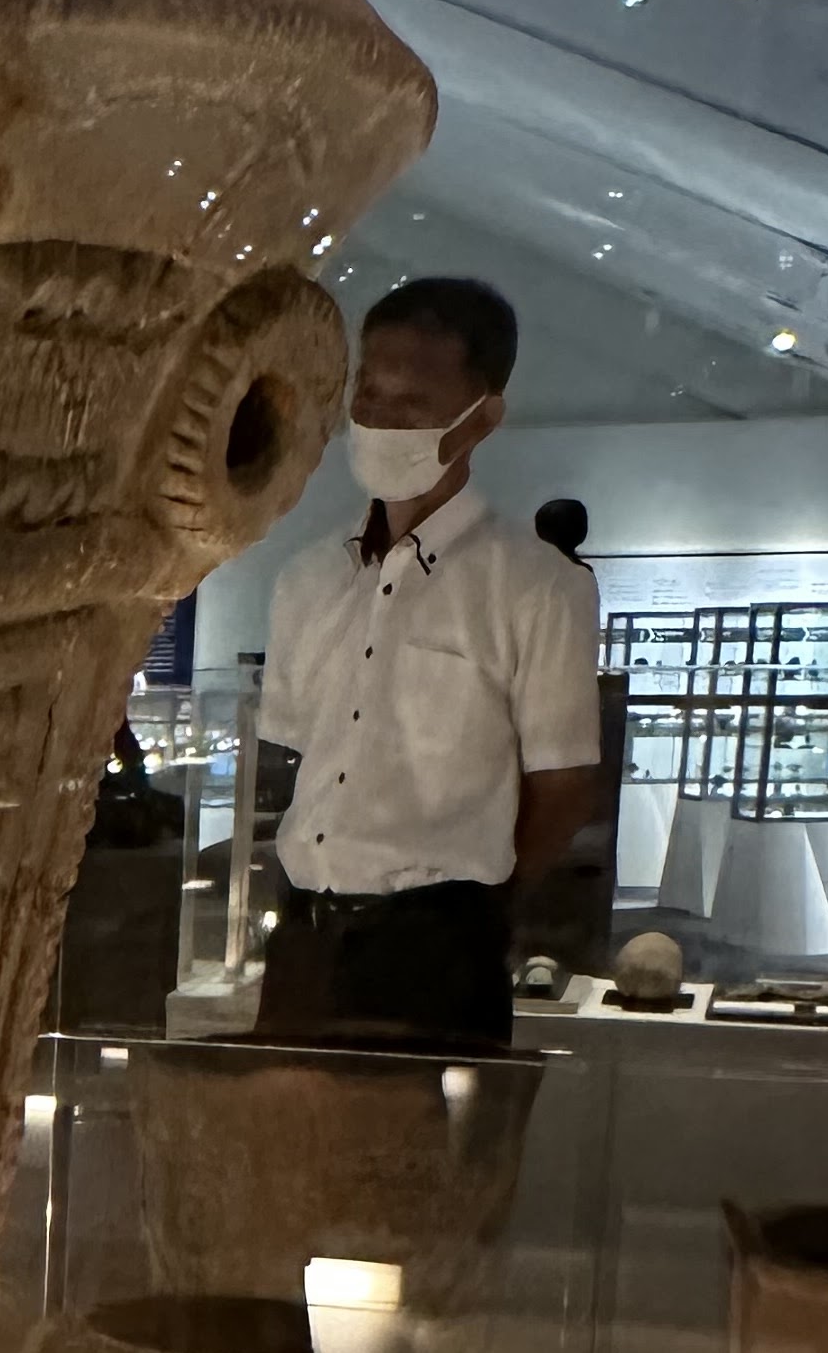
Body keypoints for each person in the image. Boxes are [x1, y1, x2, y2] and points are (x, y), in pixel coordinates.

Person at [255, 276, 601, 1052]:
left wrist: (474, 905)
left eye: (413, 403)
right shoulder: (308, 579)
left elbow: (564, 785)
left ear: (482, 417)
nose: (381, 420)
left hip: (435, 947)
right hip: (304, 935)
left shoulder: (536, 586)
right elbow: (298, 753)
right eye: (370, 395)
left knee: (420, 1131)